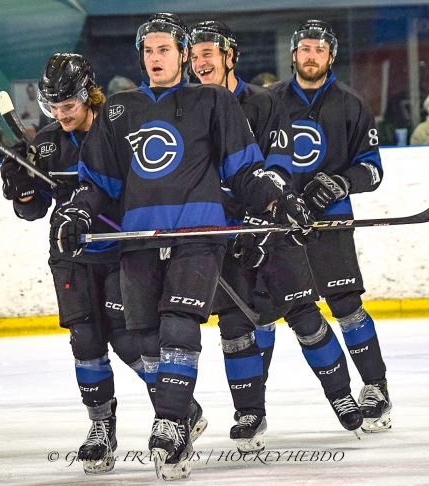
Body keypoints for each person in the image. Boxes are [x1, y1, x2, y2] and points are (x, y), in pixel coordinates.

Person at [54, 13, 313, 480]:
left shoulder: (213, 101)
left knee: (180, 325)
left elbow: (244, 171)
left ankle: (170, 423)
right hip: (137, 242)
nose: (156, 58)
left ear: (181, 54)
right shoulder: (118, 110)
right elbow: (99, 184)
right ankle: (180, 415)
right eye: (149, 51)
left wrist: (278, 199)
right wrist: (77, 212)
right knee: (144, 336)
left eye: (165, 50)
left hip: (198, 236)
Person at [190, 19, 361, 452]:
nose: (199, 62)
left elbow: (279, 167)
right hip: (225, 237)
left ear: (230, 56)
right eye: (193, 56)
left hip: (272, 228)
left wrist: (267, 214)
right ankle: (250, 413)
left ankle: (341, 396)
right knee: (234, 325)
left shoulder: (264, 103)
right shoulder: (187, 109)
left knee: (304, 314)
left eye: (208, 53)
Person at [0, 53, 158, 475]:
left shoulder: (122, 130)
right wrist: (22, 191)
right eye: (54, 106)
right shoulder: (48, 143)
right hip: (70, 257)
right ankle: (101, 428)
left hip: (122, 251)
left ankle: (175, 410)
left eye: (68, 105)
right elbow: (34, 210)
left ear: (88, 94)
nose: (60, 114)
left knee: (127, 339)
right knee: (85, 343)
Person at [271, 19, 392, 433]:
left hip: (330, 224)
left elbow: (373, 171)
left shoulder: (351, 103)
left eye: (319, 49)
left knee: (345, 306)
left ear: (331, 56)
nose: (311, 55)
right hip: (279, 225)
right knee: (266, 313)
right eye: (304, 48)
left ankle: (376, 387)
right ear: (293, 54)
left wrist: (343, 181)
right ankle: (253, 408)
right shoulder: (268, 102)